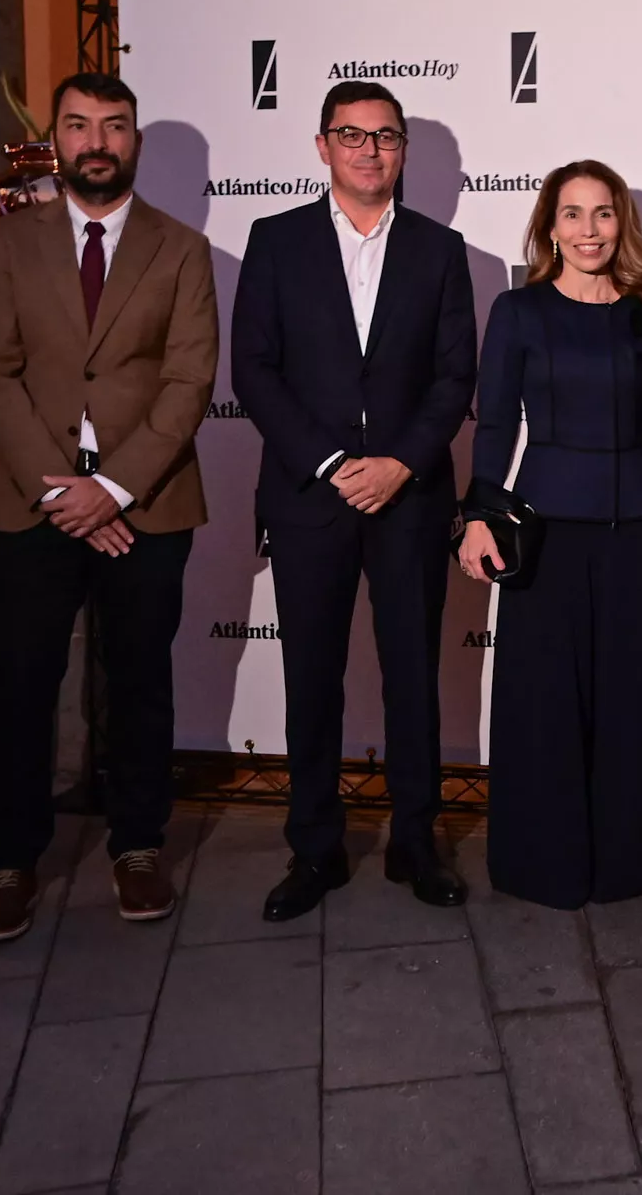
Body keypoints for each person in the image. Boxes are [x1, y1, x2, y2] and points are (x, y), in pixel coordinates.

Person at [0, 72, 218, 939]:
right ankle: (9, 858)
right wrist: (59, 488)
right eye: (78, 125)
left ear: (134, 141)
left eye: (114, 126)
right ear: (57, 140)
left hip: (146, 505)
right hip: (28, 501)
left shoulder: (182, 248)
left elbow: (188, 382)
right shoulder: (9, 242)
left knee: (139, 681)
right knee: (20, 684)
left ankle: (138, 845)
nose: (96, 142)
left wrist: (110, 489)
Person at [234, 82, 477, 919]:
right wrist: (336, 462)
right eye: (352, 135)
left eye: (385, 136)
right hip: (311, 495)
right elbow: (253, 370)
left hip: (409, 498)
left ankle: (416, 842)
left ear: (403, 150)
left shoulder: (441, 250)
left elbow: (455, 377)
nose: (370, 150)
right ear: (322, 146)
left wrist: (399, 464)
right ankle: (315, 848)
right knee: (312, 677)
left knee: (413, 675)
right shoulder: (276, 240)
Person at [459, 161, 642, 907]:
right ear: (550, 227)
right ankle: (544, 863)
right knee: (544, 703)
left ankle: (632, 862)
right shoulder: (517, 311)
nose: (589, 230)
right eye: (572, 214)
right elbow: (495, 423)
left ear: (621, 225)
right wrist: (477, 516)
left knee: (631, 701)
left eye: (603, 214)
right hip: (545, 536)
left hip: (633, 534)